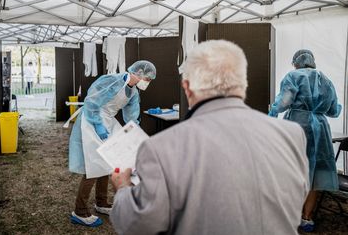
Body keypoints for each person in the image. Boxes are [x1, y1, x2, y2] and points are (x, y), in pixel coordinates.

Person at [110, 40, 309, 235]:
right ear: (243, 84)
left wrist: (123, 188)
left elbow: (137, 224)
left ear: (187, 87)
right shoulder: (292, 135)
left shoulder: (160, 148)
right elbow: (297, 194)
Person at [68, 60, 157, 227]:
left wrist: (133, 129)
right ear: (138, 74)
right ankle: (79, 211)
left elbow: (131, 114)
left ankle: (101, 202)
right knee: (93, 165)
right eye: (148, 79)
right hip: (92, 119)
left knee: (108, 162)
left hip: (108, 121)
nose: (148, 82)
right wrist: (97, 123)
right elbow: (91, 101)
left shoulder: (133, 92)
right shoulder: (113, 80)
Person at [269, 49, 341, 232]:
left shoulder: (293, 76)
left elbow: (284, 101)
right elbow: (333, 111)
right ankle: (307, 218)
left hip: (297, 126)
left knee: (292, 170)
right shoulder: (325, 80)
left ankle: (289, 213)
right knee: (315, 173)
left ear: (296, 62)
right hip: (320, 128)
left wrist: (272, 113)